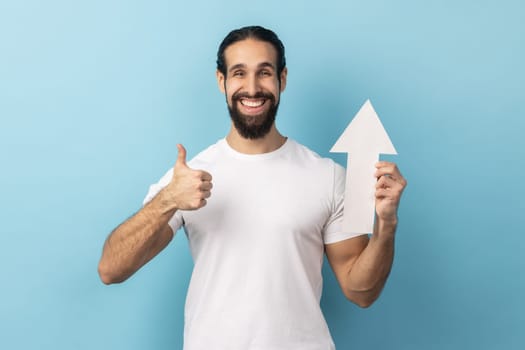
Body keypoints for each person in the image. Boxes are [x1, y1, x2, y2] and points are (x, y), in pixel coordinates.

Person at [98, 25, 407, 350]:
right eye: (239, 73)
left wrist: (386, 226)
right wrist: (168, 200)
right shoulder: (189, 177)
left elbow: (361, 292)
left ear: (282, 79)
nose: (252, 87)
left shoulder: (328, 176)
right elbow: (111, 270)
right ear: (222, 81)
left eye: (264, 72)